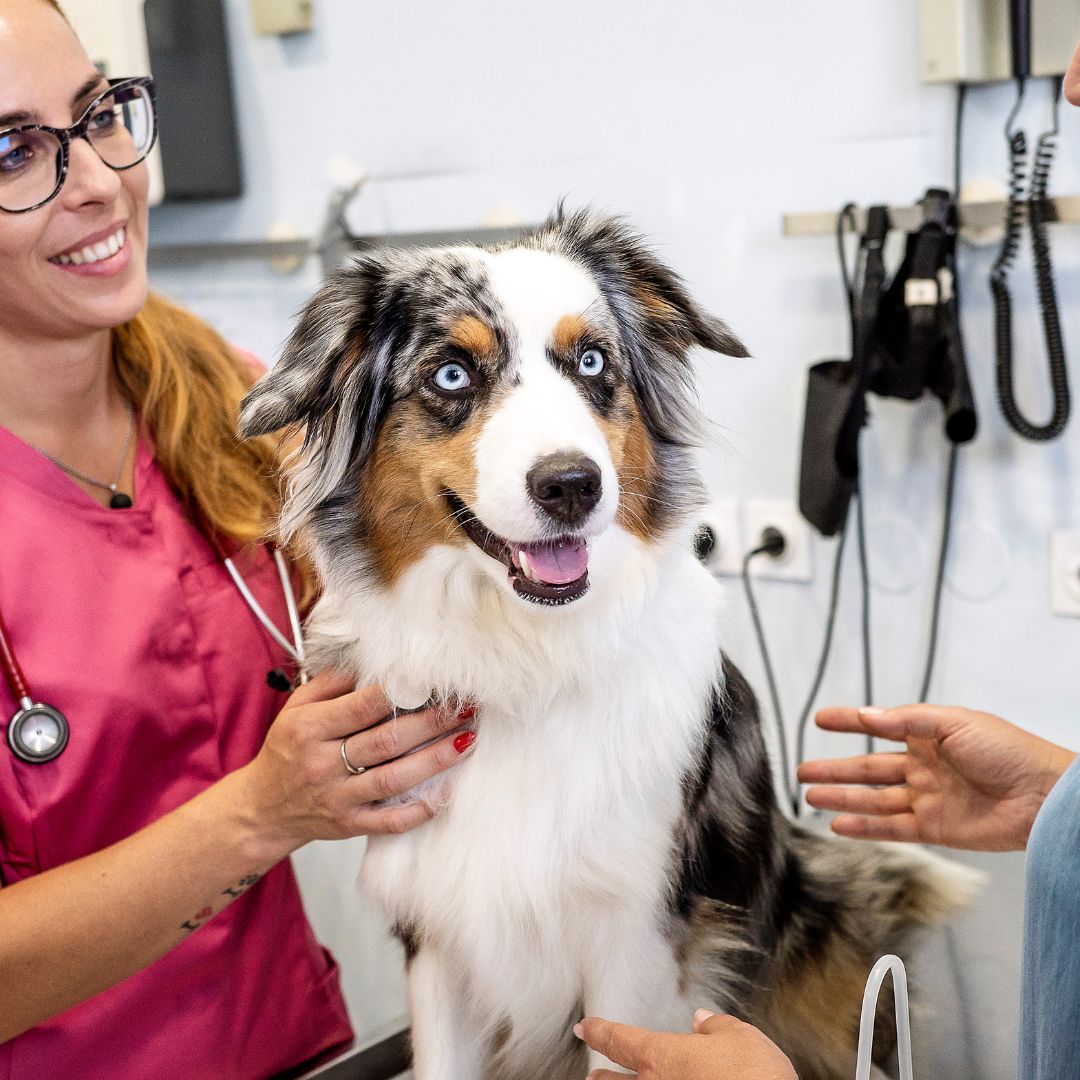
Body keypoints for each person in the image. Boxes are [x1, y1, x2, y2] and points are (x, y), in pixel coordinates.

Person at [0, 2, 476, 1077]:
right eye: (11, 148)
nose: (96, 181)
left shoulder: (227, 393)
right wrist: (263, 814)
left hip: (292, 1046)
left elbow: (388, 633)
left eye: (97, 115)